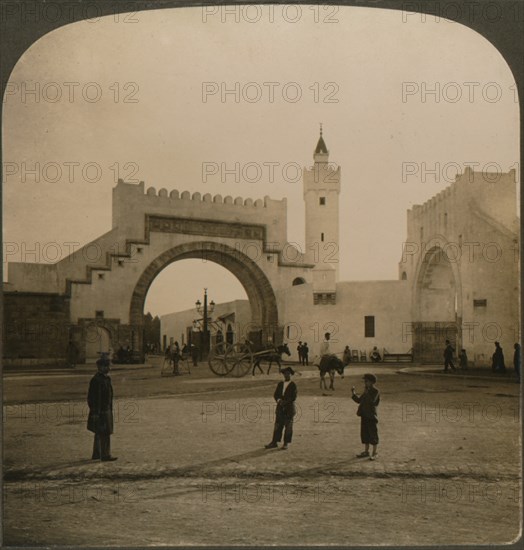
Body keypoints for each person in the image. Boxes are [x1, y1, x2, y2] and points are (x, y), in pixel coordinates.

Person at [87, 354, 117, 461]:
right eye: (107, 366)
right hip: (101, 411)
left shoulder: (106, 379)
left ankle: (97, 453)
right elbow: (92, 398)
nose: (109, 368)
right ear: (100, 367)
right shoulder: (96, 380)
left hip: (106, 409)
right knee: (104, 433)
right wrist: (95, 412)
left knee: (100, 432)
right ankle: (105, 455)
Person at [265, 367, 297, 450]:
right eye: (285, 374)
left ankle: (286, 443)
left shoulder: (293, 385)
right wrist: (279, 400)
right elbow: (276, 395)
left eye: (288, 374)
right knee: (278, 425)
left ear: (291, 375)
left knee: (288, 426)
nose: (287, 375)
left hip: (289, 408)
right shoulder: (280, 384)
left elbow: (293, 397)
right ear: (283, 375)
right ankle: (274, 442)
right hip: (280, 408)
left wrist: (285, 402)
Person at [351, 373, 380, 461]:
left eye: (366, 381)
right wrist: (353, 393)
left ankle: (374, 453)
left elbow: (372, 401)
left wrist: (366, 392)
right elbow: (359, 401)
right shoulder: (366, 390)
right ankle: (366, 451)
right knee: (365, 433)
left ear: (371, 382)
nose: (365, 383)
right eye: (364, 381)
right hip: (364, 415)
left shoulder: (375, 391)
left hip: (371, 415)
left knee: (373, 433)